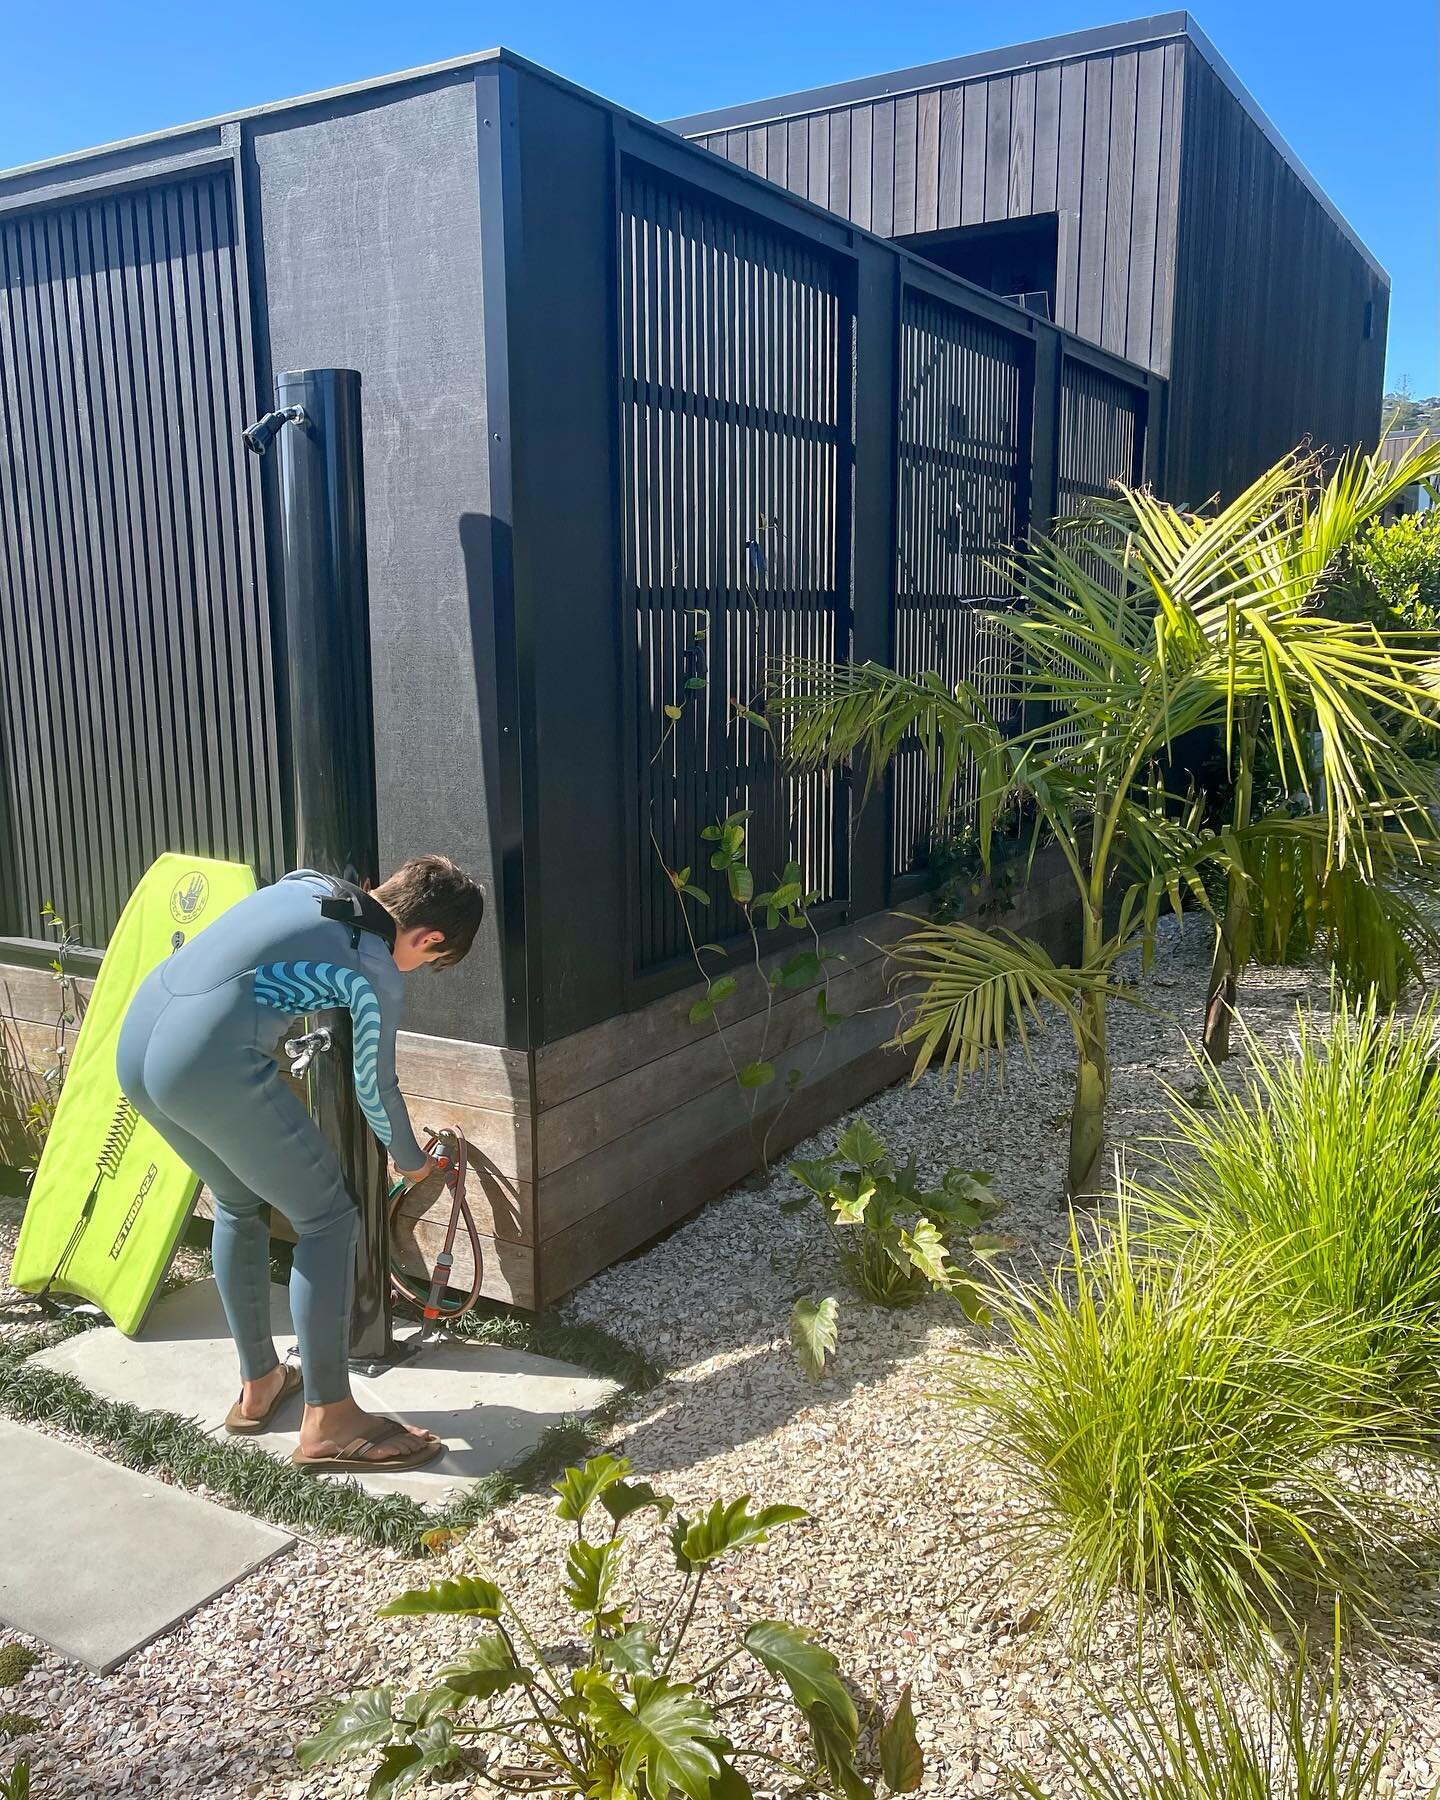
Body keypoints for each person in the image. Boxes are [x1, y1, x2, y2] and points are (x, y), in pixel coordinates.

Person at [116, 855, 484, 1473]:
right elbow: (376, 1090)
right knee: (329, 1220)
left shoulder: (310, 885)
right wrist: (412, 1163)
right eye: (427, 962)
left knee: (236, 1202)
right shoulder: (374, 967)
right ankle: (331, 1420)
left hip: (138, 1048)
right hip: (207, 1065)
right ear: (430, 938)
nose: (414, 970)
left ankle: (260, 1384)